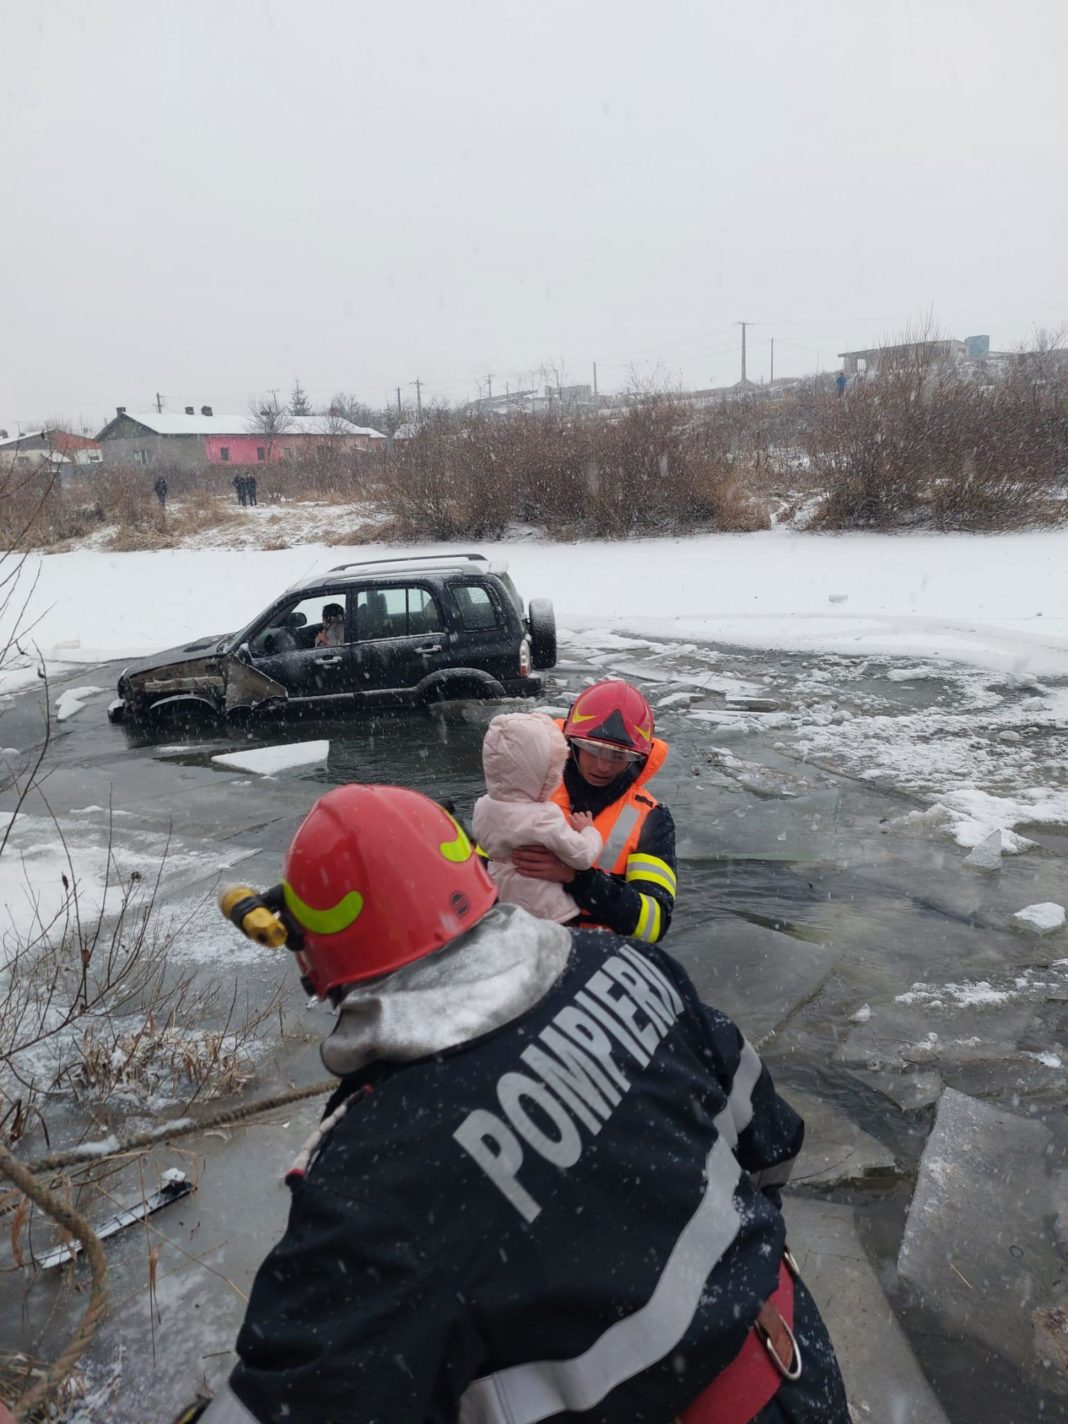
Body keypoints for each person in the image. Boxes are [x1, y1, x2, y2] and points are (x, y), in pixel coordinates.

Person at [193, 784, 849, 1424]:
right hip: (796, 1362)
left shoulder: (381, 1176)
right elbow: (771, 1145)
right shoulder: (626, 964)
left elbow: (299, 1396)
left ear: (323, 967)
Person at [512, 678, 677, 944]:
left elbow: (653, 924)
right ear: (571, 742)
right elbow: (483, 870)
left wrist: (577, 877)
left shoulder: (652, 819)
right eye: (592, 749)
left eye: (618, 755)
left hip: (599, 957)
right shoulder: (530, 788)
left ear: (640, 757)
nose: (603, 765)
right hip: (522, 942)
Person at [473, 711, 602, 923]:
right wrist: (589, 831)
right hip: (547, 910)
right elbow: (582, 856)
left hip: (504, 901)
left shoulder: (484, 806)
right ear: (547, 770)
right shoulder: (542, 816)